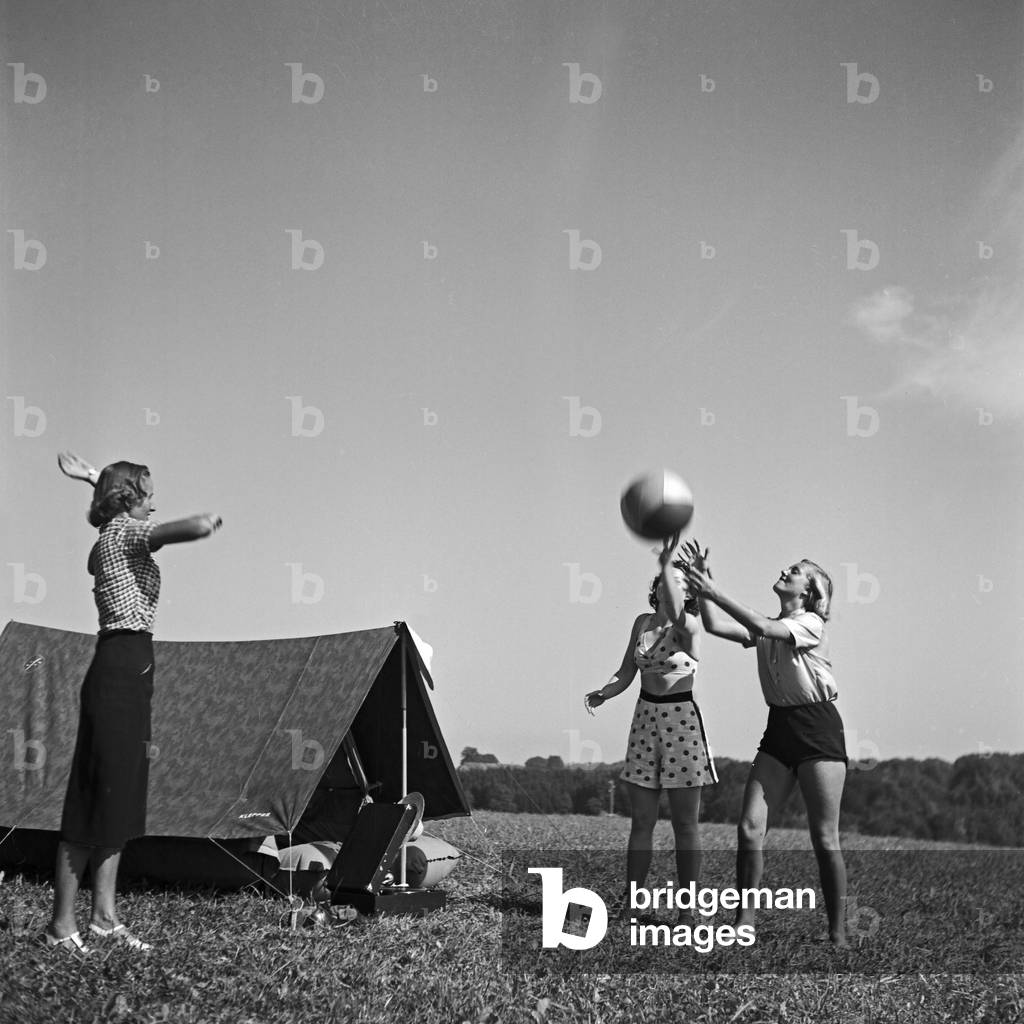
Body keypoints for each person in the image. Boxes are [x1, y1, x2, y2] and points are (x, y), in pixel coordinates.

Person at [45, 451, 223, 954]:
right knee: (92, 797)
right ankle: (61, 925)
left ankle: (103, 918)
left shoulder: (109, 537)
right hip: (120, 665)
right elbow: (161, 532)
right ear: (129, 498)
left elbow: (120, 517)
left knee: (117, 796)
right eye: (148, 492)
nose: (154, 501)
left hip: (129, 666)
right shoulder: (125, 533)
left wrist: (89, 479)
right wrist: (202, 524)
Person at [682, 543, 848, 946]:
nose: (785, 571)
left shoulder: (809, 624)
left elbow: (763, 625)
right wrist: (703, 591)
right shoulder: (769, 625)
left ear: (809, 593)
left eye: (795, 571)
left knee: (824, 837)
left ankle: (838, 932)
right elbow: (719, 627)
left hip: (817, 729)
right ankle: (744, 922)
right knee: (749, 828)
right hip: (779, 729)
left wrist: (712, 588)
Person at [585, 537, 717, 917]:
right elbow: (626, 670)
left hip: (681, 724)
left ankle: (687, 912)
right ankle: (631, 903)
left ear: (687, 592)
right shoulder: (641, 623)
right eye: (662, 579)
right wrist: (605, 693)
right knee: (642, 821)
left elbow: (677, 615)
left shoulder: (688, 625)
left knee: (684, 824)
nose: (666, 584)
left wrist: (666, 562)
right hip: (645, 720)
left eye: (676, 581)